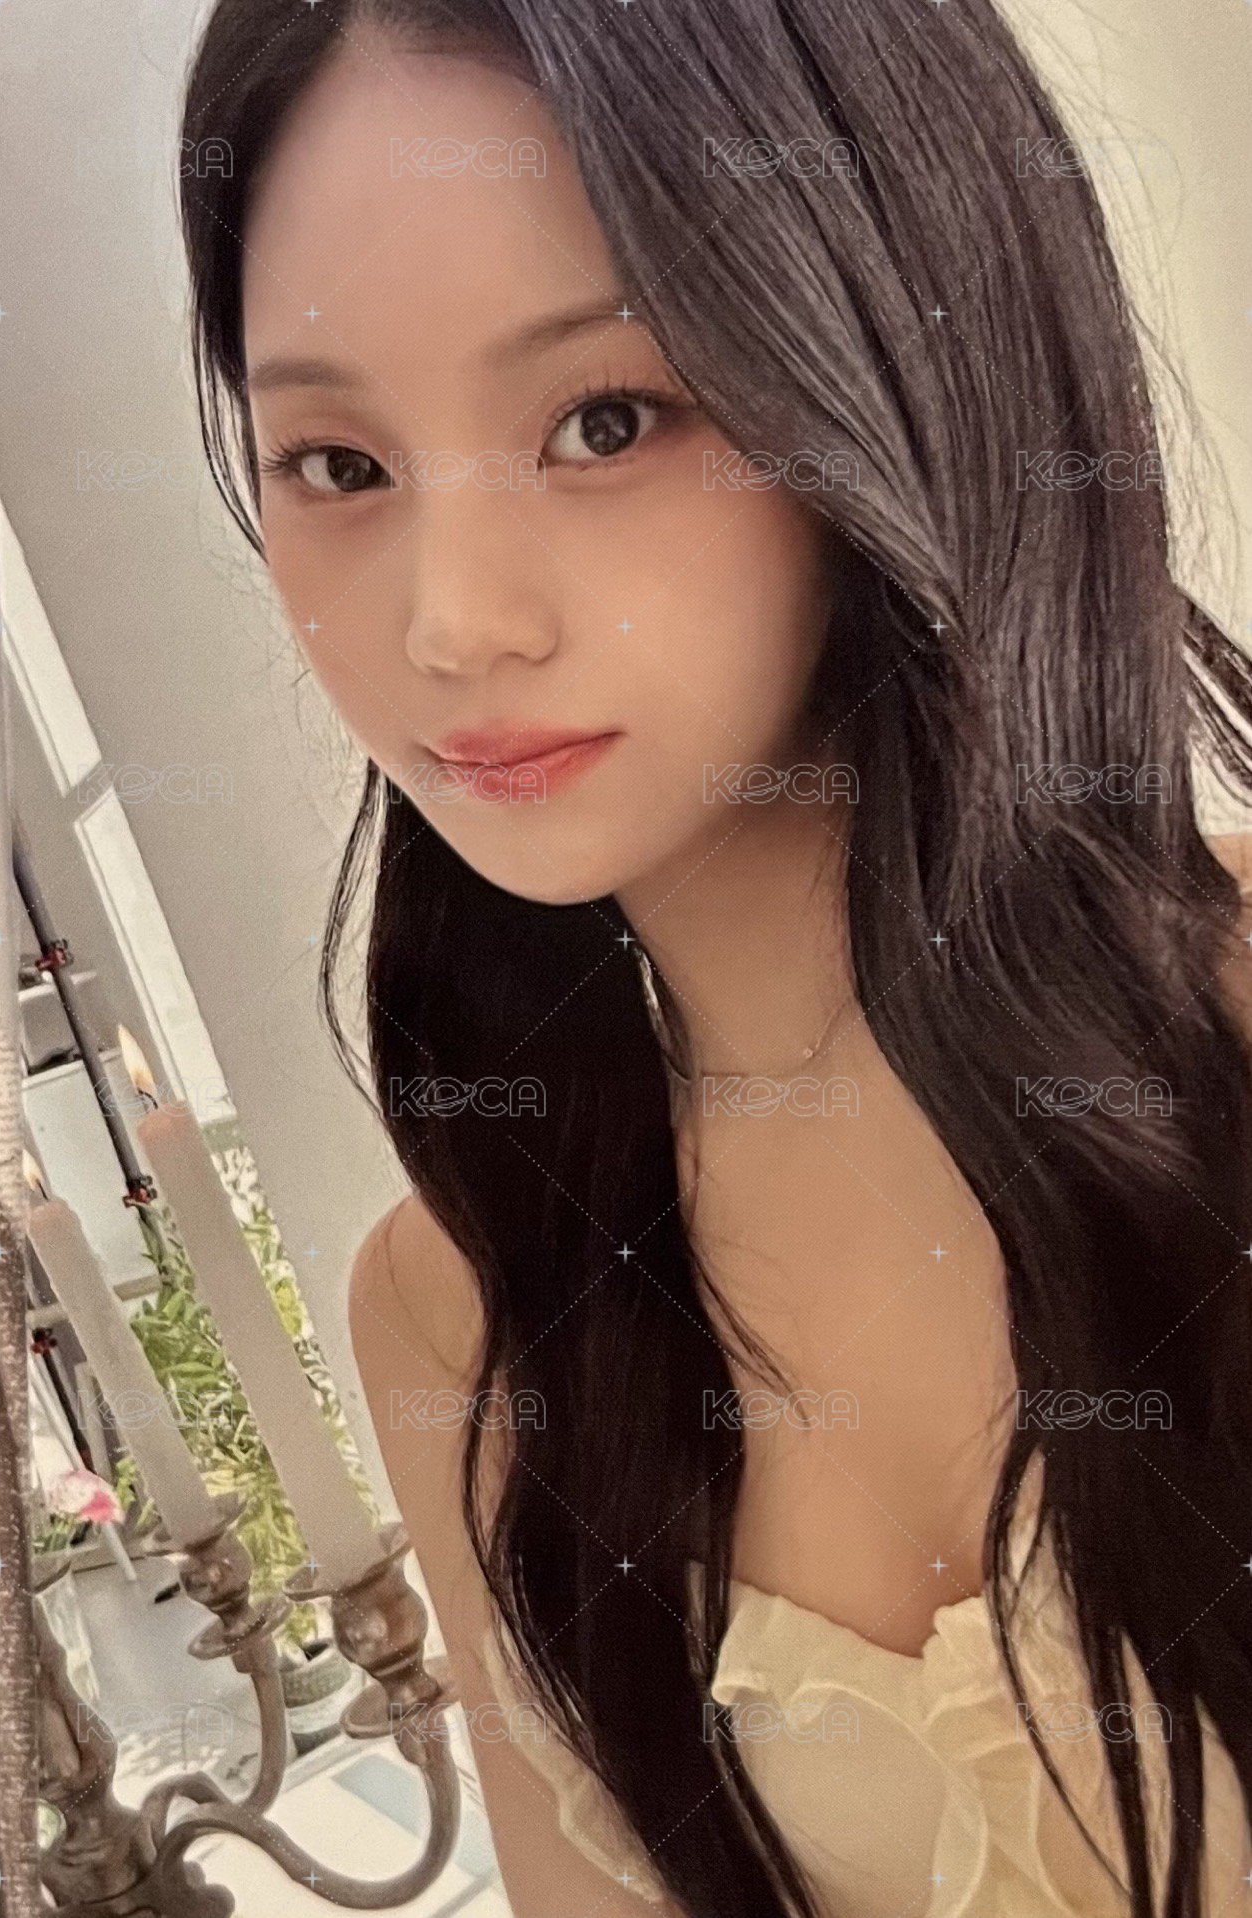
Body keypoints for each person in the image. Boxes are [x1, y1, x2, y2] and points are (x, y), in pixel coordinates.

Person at [178, 3, 1252, 1912]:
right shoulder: (462, 1304)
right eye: (336, 462)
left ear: (901, 357)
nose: (449, 623)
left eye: (603, 420)